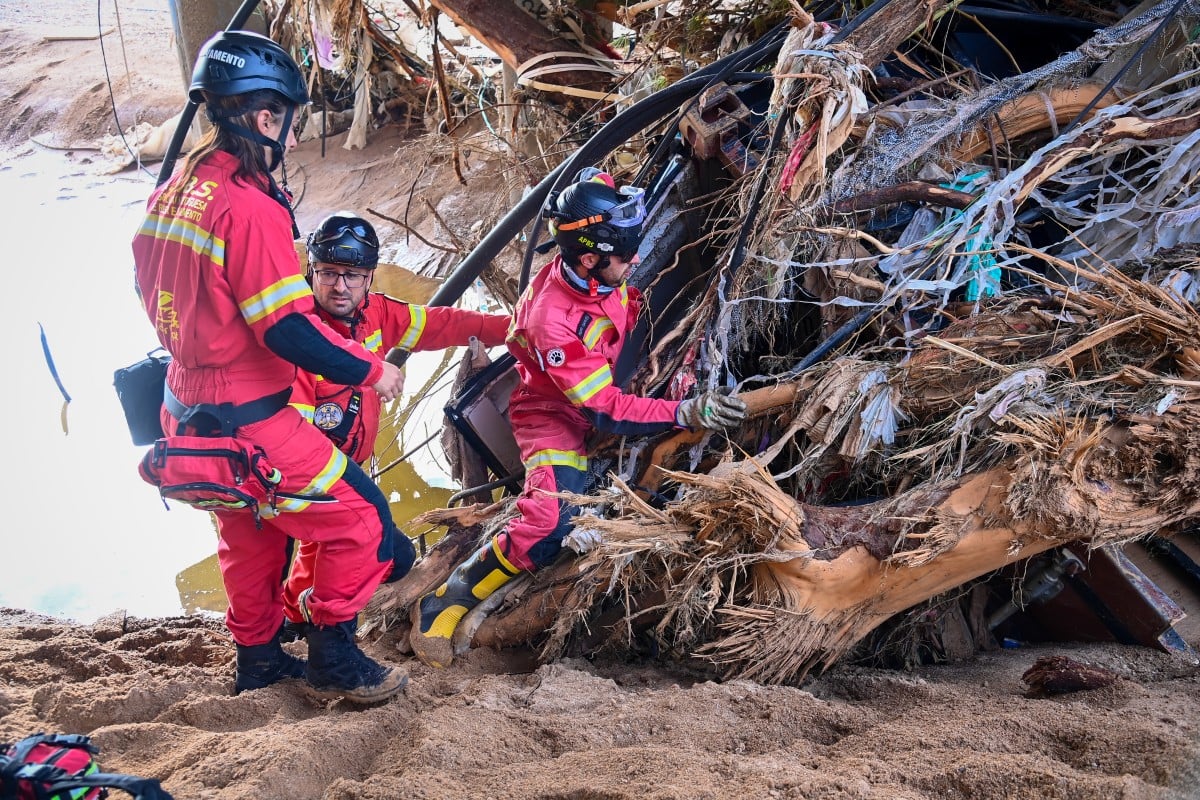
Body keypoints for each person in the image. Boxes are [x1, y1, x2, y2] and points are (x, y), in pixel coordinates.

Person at [132, 30, 408, 703]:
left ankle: (258, 659)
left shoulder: (173, 191)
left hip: (182, 409)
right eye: (287, 118)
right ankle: (334, 654)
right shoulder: (249, 208)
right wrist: (372, 370)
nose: (288, 130)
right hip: (250, 415)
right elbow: (285, 328)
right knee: (364, 522)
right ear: (264, 117)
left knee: (247, 536)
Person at [409, 168, 748, 668]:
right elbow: (606, 410)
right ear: (589, 259)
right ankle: (445, 601)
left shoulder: (597, 263)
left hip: (597, 391)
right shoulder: (552, 320)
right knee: (547, 521)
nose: (633, 261)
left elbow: (602, 188)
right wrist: (683, 410)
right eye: (624, 256)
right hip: (552, 414)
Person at [281, 210, 510, 627]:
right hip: (312, 474)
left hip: (347, 471)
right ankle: (321, 632)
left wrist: (512, 328)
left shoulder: (378, 315)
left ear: (370, 277)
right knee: (379, 553)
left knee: (330, 555)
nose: (339, 286)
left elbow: (442, 325)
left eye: (352, 274)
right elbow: (290, 430)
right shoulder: (297, 332)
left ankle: (296, 620)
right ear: (311, 271)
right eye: (328, 273)